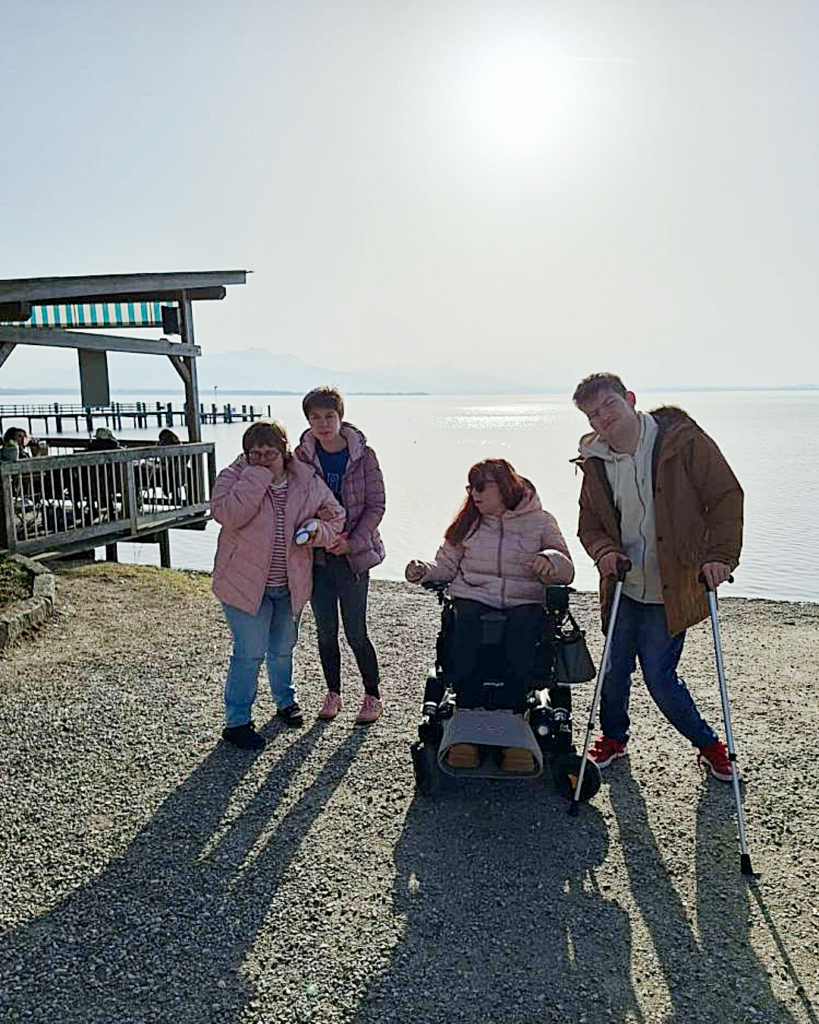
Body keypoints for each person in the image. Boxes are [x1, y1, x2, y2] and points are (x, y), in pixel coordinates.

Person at [572, 372, 744, 780]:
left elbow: (725, 496)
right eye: (593, 414)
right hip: (623, 584)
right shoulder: (595, 462)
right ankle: (614, 738)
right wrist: (605, 553)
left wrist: (720, 556)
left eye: (609, 405)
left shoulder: (683, 443)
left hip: (673, 584)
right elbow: (589, 525)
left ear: (630, 399)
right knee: (614, 670)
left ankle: (710, 747)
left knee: (659, 676)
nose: (604, 418)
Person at [405, 458, 574, 771]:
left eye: (481, 487)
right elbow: (446, 565)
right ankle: (467, 714)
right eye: (471, 487)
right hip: (475, 595)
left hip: (524, 599)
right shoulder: (468, 522)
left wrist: (549, 560)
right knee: (465, 621)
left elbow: (566, 567)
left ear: (505, 487)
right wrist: (422, 571)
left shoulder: (540, 521)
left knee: (523, 627)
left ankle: (516, 714)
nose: (475, 494)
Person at [211, 419, 345, 751]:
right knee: (249, 653)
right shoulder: (233, 476)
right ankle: (237, 722)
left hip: (290, 583)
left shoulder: (306, 481)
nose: (262, 458)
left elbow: (335, 516)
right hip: (242, 583)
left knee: (283, 649)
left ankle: (285, 701)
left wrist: (318, 530)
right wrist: (257, 477)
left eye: (269, 453)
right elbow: (228, 514)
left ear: (284, 451)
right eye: (254, 453)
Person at [295, 386, 386, 725]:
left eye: (329, 416)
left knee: (356, 631)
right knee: (324, 631)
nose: (323, 424)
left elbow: (376, 505)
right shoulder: (301, 457)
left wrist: (354, 541)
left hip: (353, 555)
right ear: (307, 420)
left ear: (340, 417)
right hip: (317, 555)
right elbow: (295, 502)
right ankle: (333, 692)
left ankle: (372, 695)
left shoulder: (364, 455)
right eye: (315, 417)